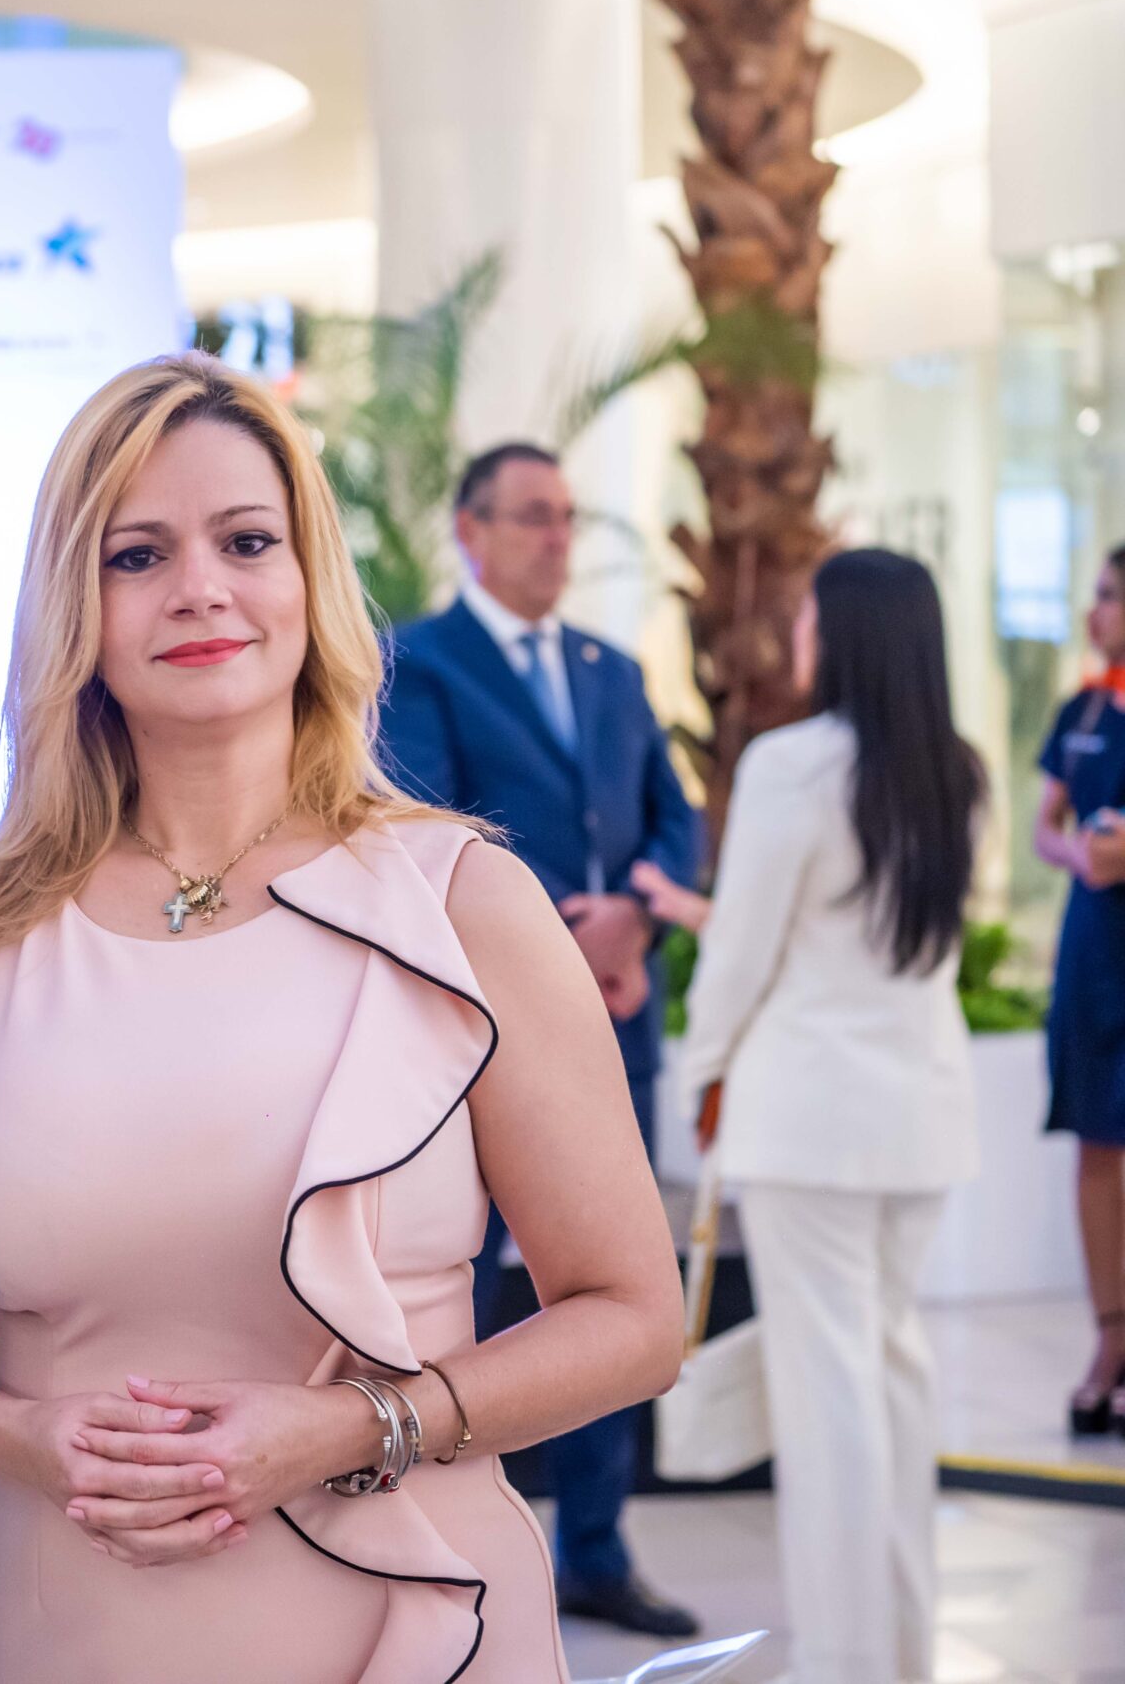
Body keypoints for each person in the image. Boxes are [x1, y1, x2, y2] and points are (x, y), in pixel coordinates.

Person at [0, 354, 684, 1683]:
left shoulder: (462, 900)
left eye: (246, 541)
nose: (200, 588)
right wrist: (17, 1436)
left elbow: (635, 1316)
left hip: (411, 1620)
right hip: (58, 1627)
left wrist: (356, 1427)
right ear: (73, 600)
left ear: (309, 579)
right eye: (137, 554)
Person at [377, 442, 703, 1638]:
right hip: (478, 1025)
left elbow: (674, 818)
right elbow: (425, 818)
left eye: (565, 517)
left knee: (611, 1286)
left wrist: (636, 917)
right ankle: (459, 1527)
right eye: (529, 517)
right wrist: (566, 940)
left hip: (619, 1013)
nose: (555, 538)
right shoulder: (419, 661)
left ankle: (598, 1550)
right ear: (469, 532)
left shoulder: (611, 669)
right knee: (467, 1289)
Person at [656, 548, 982, 1684]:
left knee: (829, 1392)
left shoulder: (793, 765)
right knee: (892, 1375)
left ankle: (843, 1664)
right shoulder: (954, 773)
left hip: (811, 1123)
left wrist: (701, 1071)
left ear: (843, 636)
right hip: (921, 1121)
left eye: (807, 618)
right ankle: (900, 1651)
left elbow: (742, 951)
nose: (795, 636)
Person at [1034, 541, 1125, 1436]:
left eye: (1110, 596)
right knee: (1096, 1146)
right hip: (1094, 954)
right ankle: (1109, 1340)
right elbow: (1044, 826)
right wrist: (1080, 857)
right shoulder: (1084, 709)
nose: (1096, 612)